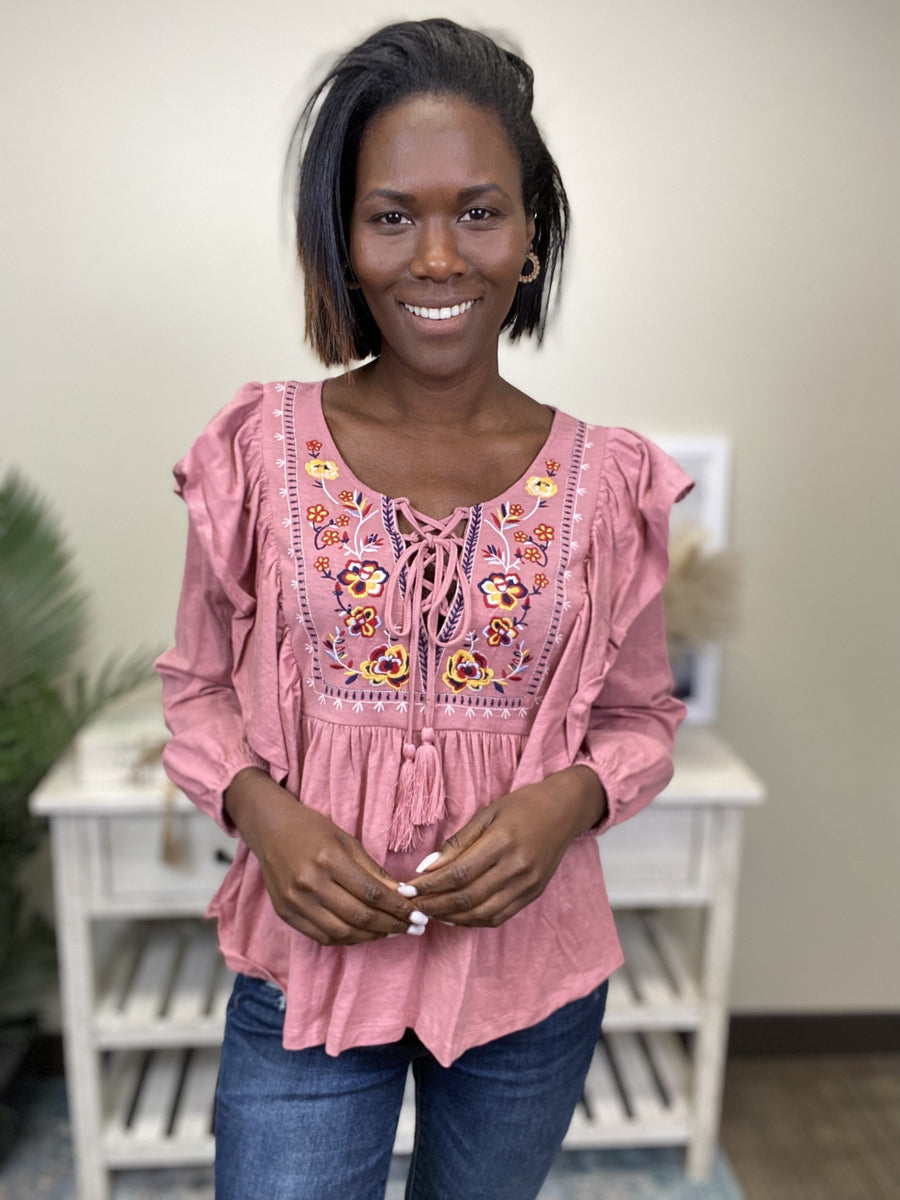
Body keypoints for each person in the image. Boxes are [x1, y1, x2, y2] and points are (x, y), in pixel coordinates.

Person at [156, 18, 692, 1200]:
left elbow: (642, 715)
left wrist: (567, 802)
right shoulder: (255, 452)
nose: (439, 257)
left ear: (532, 238)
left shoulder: (610, 481)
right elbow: (194, 687)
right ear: (344, 243)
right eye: (393, 215)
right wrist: (265, 815)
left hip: (527, 981)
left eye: (479, 212)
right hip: (308, 973)